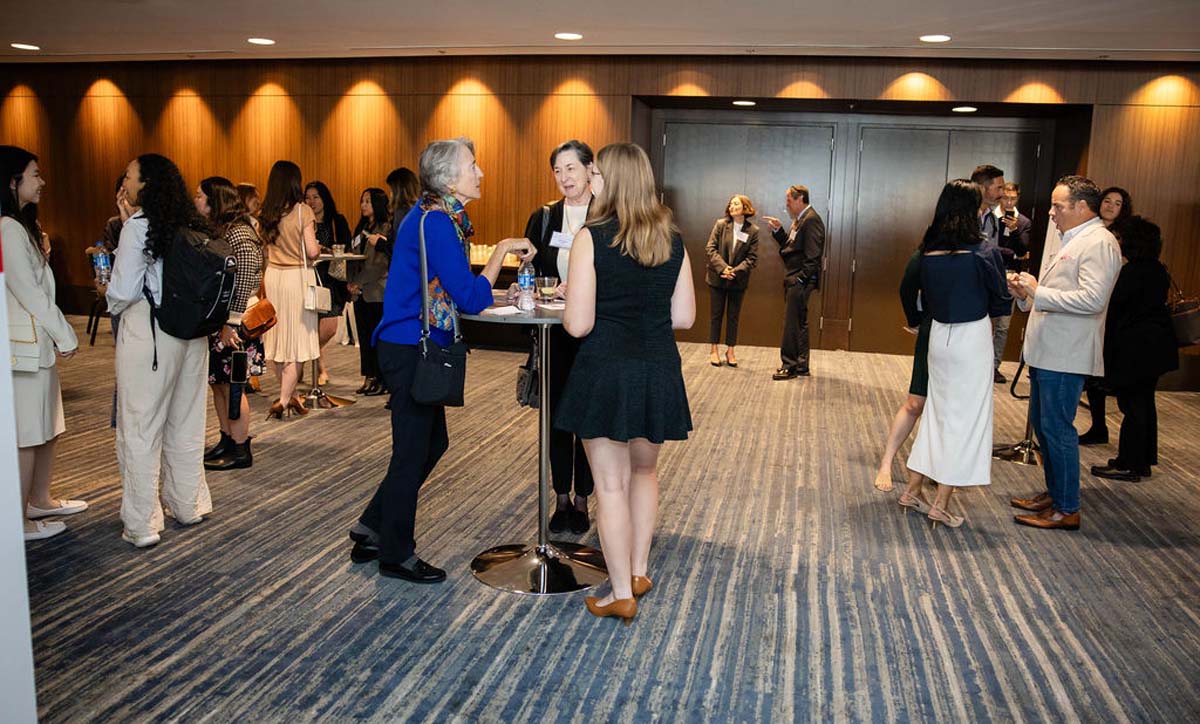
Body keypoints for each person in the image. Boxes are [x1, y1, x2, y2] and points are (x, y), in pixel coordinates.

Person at [351, 137, 535, 582]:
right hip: (410, 347)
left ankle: (372, 525)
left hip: (407, 343)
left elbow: (454, 291)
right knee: (412, 452)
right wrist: (501, 252)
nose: (481, 172)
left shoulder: (435, 217)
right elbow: (468, 296)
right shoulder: (437, 222)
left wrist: (492, 289)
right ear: (449, 177)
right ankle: (395, 553)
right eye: (474, 165)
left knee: (430, 444)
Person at [556, 142, 695, 625]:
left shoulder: (592, 238)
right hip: (657, 368)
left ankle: (620, 594)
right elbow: (685, 315)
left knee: (610, 486)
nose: (590, 181)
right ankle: (637, 572)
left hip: (606, 372)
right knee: (644, 474)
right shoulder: (672, 239)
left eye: (594, 174)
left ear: (607, 181)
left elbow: (576, 325)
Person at [107, 153, 214, 548]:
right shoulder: (190, 224)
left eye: (130, 176)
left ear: (146, 185)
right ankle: (188, 504)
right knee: (186, 423)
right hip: (192, 336)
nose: (126, 183)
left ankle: (142, 523)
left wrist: (106, 291)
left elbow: (122, 292)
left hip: (150, 337)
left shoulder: (139, 227)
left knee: (140, 427)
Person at [1010, 175, 1122, 531]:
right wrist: (1026, 294)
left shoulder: (1099, 242)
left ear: (1081, 207)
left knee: (1058, 430)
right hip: (1048, 348)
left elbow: (1093, 300)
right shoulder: (1068, 237)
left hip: (1066, 352)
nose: (1052, 211)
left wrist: (1038, 291)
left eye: (1058, 205)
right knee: (1045, 427)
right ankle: (1055, 493)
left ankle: (1067, 507)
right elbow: (1053, 292)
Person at [899, 180, 1010, 527]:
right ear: (971, 209)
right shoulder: (983, 250)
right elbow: (1001, 300)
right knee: (966, 421)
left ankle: (913, 490)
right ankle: (941, 502)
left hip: (938, 336)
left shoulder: (928, 249)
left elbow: (915, 293)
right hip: (970, 337)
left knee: (937, 414)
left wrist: (917, 320)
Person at [2, 145, 86, 541]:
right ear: (12, 180)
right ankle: (17, 519)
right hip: (24, 345)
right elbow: (29, 292)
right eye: (35, 174)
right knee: (27, 433)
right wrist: (64, 332)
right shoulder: (7, 227)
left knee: (47, 426)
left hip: (35, 346)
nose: (42, 181)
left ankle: (39, 498)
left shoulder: (23, 227)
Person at [522, 139, 596, 534]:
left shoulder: (605, 214)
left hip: (593, 332)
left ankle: (583, 499)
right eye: (558, 170)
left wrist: (582, 286)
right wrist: (536, 283)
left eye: (571, 168)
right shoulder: (546, 216)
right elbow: (530, 268)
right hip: (553, 330)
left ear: (589, 169)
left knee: (587, 415)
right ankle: (561, 498)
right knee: (556, 416)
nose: (565, 177)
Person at [1090, 216, 1177, 482]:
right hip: (1155, 346)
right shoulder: (1156, 269)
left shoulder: (1133, 272)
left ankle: (1131, 463)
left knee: (1133, 406)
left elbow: (1116, 309)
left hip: (1137, 348)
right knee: (1144, 403)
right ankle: (1140, 459)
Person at [194, 176, 264, 471]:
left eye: (199, 196)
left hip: (236, 325)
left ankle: (239, 447)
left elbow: (249, 272)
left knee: (235, 386)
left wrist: (232, 321)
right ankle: (226, 437)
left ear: (214, 200)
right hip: (222, 323)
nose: (195, 200)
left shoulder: (238, 232)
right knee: (219, 385)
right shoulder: (222, 230)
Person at [261, 161, 321, 419]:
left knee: (276, 339)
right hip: (297, 278)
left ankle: (292, 396)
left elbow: (264, 249)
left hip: (273, 276)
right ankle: (284, 399)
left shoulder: (267, 213)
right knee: (297, 340)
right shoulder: (302, 211)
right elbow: (312, 251)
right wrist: (318, 247)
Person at [1079, 186, 1135, 445]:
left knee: (1107, 371)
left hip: (1115, 309)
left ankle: (1107, 428)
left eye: (1117, 203)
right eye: (1107, 201)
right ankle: (1098, 425)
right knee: (1093, 374)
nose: (1111, 206)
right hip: (1094, 310)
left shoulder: (1126, 236)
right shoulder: (1087, 230)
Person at [872, 248, 928, 492]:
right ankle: (886, 462)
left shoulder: (976, 249)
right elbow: (907, 287)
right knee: (915, 403)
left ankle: (940, 470)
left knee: (946, 409)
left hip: (961, 336)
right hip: (931, 330)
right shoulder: (928, 251)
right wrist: (915, 319)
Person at [762, 185, 824, 380]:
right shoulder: (801, 219)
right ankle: (801, 365)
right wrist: (779, 231)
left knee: (791, 324)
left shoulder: (811, 220)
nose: (787, 204)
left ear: (800, 199)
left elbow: (813, 256)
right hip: (796, 278)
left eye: (789, 200)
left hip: (800, 280)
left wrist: (800, 279)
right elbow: (791, 247)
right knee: (799, 322)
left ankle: (789, 366)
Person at [304, 180, 352, 385]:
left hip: (331, 279)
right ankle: (319, 369)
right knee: (312, 327)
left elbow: (346, 247)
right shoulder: (304, 221)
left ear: (325, 198)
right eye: (307, 198)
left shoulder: (336, 220)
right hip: (309, 278)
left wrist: (328, 250)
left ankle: (305, 355)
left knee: (330, 326)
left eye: (316, 197)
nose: (311, 201)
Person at [704, 194, 760, 368]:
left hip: (738, 280)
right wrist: (724, 268)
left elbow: (752, 258)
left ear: (745, 207)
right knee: (716, 315)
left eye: (736, 204)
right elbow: (710, 248)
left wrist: (734, 271)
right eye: (730, 204)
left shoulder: (753, 231)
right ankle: (714, 350)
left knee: (733, 317)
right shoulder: (721, 225)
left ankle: (730, 350)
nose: (732, 206)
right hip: (718, 278)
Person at [347, 187, 391, 396]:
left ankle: (382, 378)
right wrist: (351, 282)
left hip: (377, 291)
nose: (363, 205)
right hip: (360, 292)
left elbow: (379, 265)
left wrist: (359, 282)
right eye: (362, 201)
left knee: (378, 338)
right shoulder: (362, 228)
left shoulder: (385, 228)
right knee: (364, 338)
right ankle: (369, 376)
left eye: (368, 201)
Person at [991, 181, 1032, 384]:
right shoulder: (989, 217)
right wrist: (1012, 254)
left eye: (1013, 198)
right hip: (989, 273)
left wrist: (1014, 231)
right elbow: (987, 247)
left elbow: (1023, 251)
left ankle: (994, 366)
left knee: (1003, 326)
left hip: (1010, 276)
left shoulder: (1023, 222)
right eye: (1005, 197)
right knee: (985, 322)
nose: (1008, 202)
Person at [970, 164, 1006, 251]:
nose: (1002, 193)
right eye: (999, 188)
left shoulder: (992, 218)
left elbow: (992, 250)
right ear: (981, 188)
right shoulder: (963, 216)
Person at [386, 167, 420, 238]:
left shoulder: (401, 212)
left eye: (391, 190)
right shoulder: (420, 208)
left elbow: (398, 243)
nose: (390, 195)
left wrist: (380, 243)